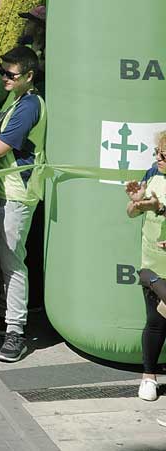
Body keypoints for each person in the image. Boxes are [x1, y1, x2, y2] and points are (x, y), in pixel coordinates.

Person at [0, 46, 45, 363]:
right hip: (2, 191)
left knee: (13, 264)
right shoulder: (16, 97)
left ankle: (15, 333)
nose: (3, 77)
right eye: (2, 71)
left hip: (17, 194)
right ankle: (5, 314)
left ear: (29, 76)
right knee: (4, 260)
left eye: (10, 74)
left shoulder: (30, 104)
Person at [124, 130, 166, 402]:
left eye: (163, 156)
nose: (158, 158)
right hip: (152, 263)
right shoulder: (153, 174)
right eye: (157, 153)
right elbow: (130, 211)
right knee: (155, 320)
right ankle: (148, 377)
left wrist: (158, 206)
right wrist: (139, 202)